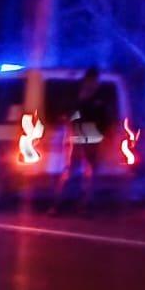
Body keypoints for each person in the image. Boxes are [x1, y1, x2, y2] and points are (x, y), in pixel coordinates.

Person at [49, 67, 111, 215]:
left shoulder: (97, 96)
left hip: (91, 135)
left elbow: (104, 117)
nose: (95, 83)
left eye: (95, 81)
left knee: (88, 173)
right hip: (80, 134)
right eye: (93, 80)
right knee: (72, 171)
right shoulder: (80, 94)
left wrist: (101, 133)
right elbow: (71, 112)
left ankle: (84, 205)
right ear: (89, 79)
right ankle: (59, 205)